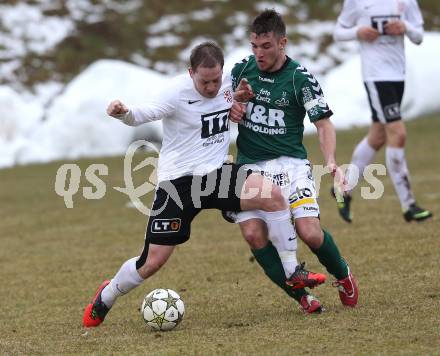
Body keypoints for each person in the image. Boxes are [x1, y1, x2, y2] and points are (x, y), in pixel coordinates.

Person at [82, 42, 326, 327]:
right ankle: (106, 296)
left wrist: (241, 99)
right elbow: (142, 114)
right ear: (190, 72)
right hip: (179, 185)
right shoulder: (175, 93)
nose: (211, 87)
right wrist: (123, 111)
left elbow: (238, 95)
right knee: (152, 261)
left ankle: (293, 272)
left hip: (218, 176)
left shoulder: (229, 80)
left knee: (272, 196)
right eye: (204, 81)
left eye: (215, 80)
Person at [226, 9, 359, 312]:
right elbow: (213, 104)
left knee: (310, 232)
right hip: (251, 168)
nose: (259, 54)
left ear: (282, 42)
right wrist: (233, 105)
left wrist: (331, 162)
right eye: (254, 46)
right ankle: (303, 298)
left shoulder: (300, 78)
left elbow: (323, 123)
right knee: (253, 234)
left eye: (266, 46)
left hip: (291, 166)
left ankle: (343, 274)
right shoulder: (240, 71)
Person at [333, 0, 432, 223]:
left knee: (377, 136)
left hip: (398, 75)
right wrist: (358, 31)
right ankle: (409, 205)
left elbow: (419, 37)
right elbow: (338, 32)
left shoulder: (406, 1)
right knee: (398, 133)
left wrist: (405, 27)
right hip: (375, 76)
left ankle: (343, 188)